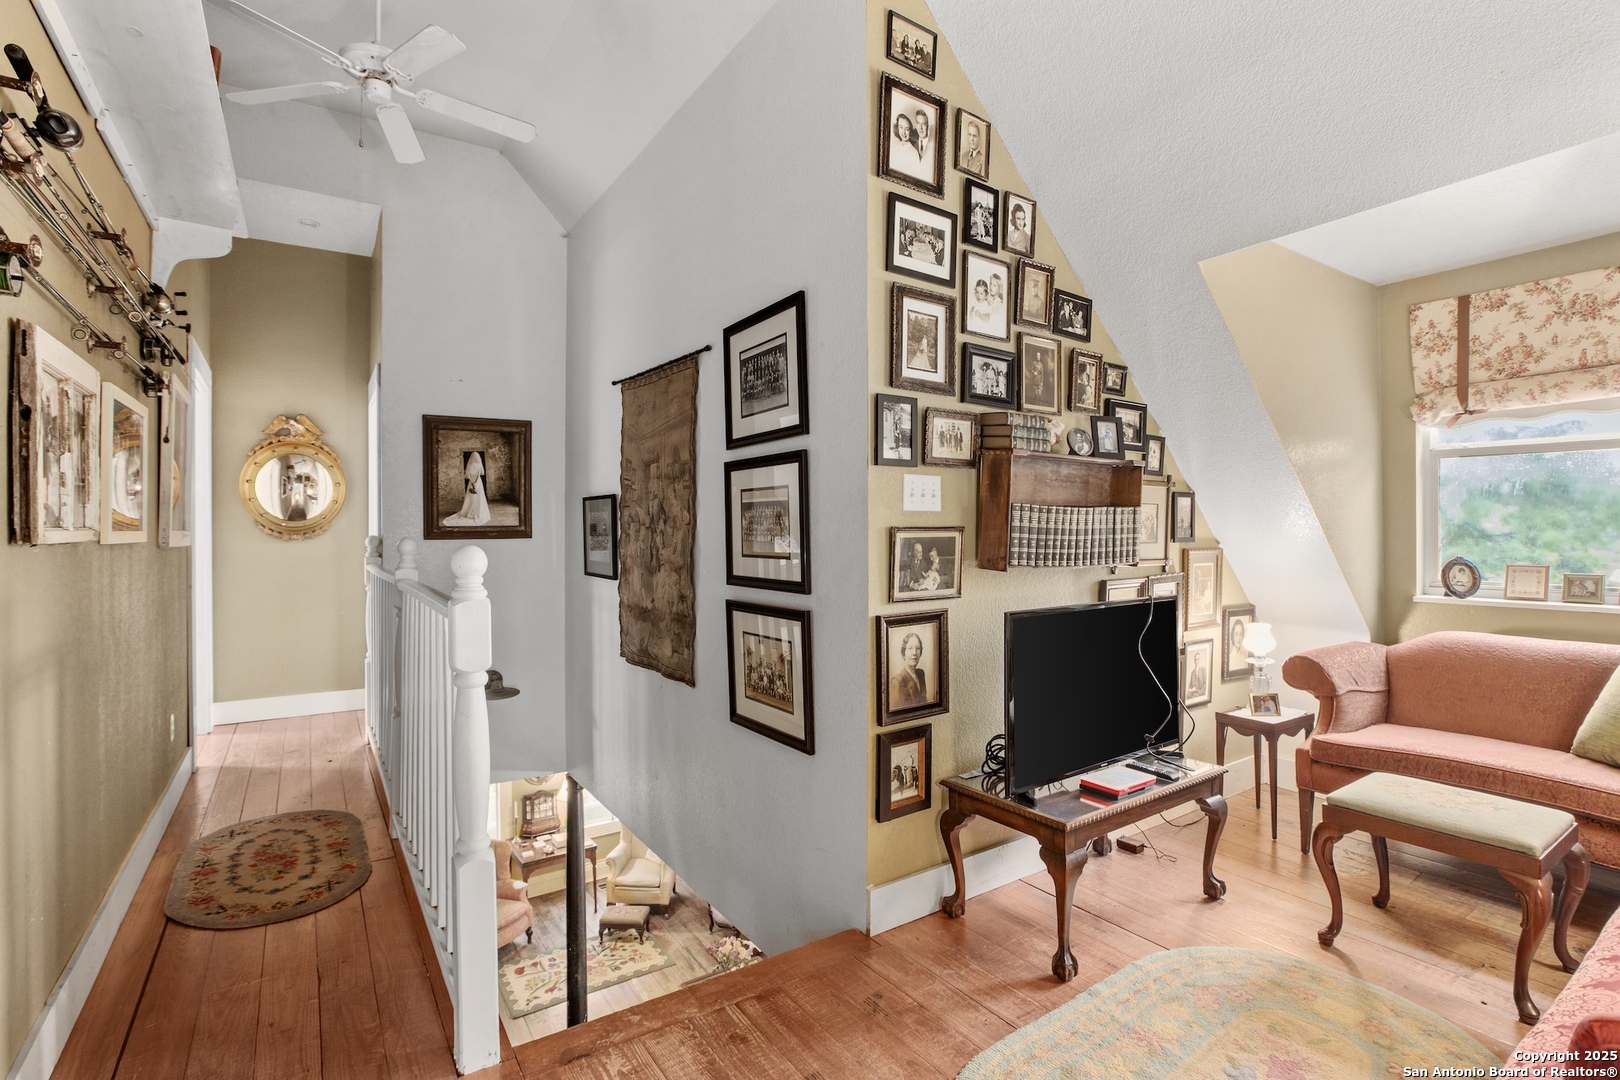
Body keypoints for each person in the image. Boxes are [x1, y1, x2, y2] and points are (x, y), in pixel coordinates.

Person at [442, 450, 491, 527]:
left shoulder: (471, 465)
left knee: (473, 497)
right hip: (478, 482)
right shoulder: (478, 465)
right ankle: (477, 512)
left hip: (472, 482)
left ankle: (471, 511)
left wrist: (472, 483)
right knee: (477, 497)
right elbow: (478, 475)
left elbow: (470, 475)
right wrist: (475, 483)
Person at [890, 632, 929, 707]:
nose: (914, 652)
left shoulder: (920, 674)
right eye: (910, 648)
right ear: (903, 653)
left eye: (917, 648)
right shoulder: (896, 681)